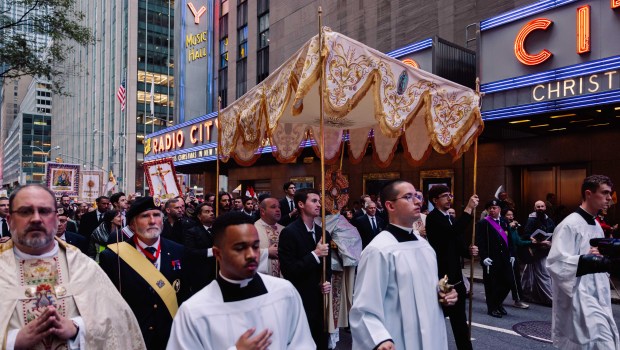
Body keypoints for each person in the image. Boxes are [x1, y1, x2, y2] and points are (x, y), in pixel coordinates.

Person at [0, 184, 145, 349]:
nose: (36, 219)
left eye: (45, 211)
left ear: (57, 219)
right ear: (9, 220)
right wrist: (12, 341)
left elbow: (118, 323)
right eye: (25, 211)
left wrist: (77, 328)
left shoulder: (84, 267)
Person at [167, 212, 315, 349]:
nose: (251, 255)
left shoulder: (284, 292)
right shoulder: (194, 311)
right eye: (240, 248)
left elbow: (303, 343)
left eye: (255, 246)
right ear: (217, 253)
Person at [350, 180, 458, 349]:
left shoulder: (425, 246)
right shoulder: (379, 250)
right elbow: (363, 309)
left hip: (433, 337)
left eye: (416, 196)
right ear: (390, 206)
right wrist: (380, 339)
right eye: (408, 197)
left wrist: (444, 295)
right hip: (398, 340)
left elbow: (427, 289)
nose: (417, 201)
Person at [99, 196, 190, 350]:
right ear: (132, 225)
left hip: (169, 339)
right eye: (145, 216)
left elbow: (184, 295)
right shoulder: (113, 256)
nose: (152, 221)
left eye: (156, 215)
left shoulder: (178, 251)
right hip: (132, 338)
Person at [547, 175, 619, 349]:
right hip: (579, 299)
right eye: (605, 193)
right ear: (589, 193)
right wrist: (588, 261)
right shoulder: (569, 225)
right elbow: (556, 263)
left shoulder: (596, 226)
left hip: (598, 295)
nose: (609, 198)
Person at [425, 185, 479, 350]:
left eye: (450, 195)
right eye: (444, 196)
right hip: (443, 279)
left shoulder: (449, 217)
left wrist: (468, 250)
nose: (449, 198)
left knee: (460, 322)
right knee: (438, 319)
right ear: (435, 200)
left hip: (456, 277)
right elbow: (452, 233)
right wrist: (469, 208)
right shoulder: (433, 218)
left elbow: (456, 241)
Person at [279, 188, 332, 349]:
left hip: (320, 298)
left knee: (321, 341)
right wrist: (315, 254)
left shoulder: (323, 233)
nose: (319, 204)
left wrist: (326, 280)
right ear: (301, 204)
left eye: (319, 201)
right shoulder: (289, 233)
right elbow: (289, 270)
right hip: (300, 297)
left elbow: (327, 266)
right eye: (314, 201)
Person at [476, 199, 513, 318]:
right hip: (491, 259)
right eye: (490, 208)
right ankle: (492, 308)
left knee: (508, 282)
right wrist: (484, 257)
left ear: (499, 209)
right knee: (492, 284)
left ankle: (497, 303)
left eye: (494, 208)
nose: (492, 210)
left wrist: (512, 254)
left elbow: (509, 240)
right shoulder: (483, 223)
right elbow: (480, 242)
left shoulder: (504, 221)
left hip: (504, 258)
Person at [521, 201, 554, 306]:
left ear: (545, 207)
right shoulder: (531, 219)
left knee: (529, 273)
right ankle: (550, 298)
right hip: (535, 250)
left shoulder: (549, 220)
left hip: (546, 250)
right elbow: (526, 234)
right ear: (535, 208)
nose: (540, 208)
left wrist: (551, 242)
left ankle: (526, 294)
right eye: (538, 206)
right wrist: (538, 241)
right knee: (543, 273)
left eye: (542, 206)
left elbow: (555, 232)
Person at [184, 202, 217, 293]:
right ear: (199, 216)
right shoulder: (192, 232)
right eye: (207, 211)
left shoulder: (219, 230)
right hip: (201, 276)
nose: (212, 213)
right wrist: (211, 251)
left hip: (218, 274)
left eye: (212, 211)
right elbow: (190, 252)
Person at [503, 209, 531, 309]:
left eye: (512, 215)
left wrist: (531, 242)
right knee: (513, 278)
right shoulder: (503, 226)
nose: (511, 217)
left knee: (514, 278)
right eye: (508, 215)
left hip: (513, 255)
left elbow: (518, 241)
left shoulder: (514, 227)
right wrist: (510, 228)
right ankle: (517, 300)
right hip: (506, 255)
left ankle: (516, 299)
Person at [255, 197, 283, 276]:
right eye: (273, 207)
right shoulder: (253, 229)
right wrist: (267, 252)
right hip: (262, 279)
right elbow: (244, 253)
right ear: (262, 211)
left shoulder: (284, 229)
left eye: (279, 207)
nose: (278, 210)